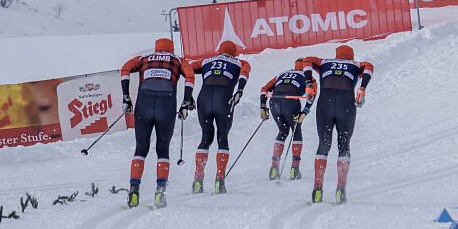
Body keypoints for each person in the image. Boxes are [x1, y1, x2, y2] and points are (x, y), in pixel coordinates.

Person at [120, 38, 195, 208]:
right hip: (166, 104)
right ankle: (160, 192)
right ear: (171, 49)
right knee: (163, 149)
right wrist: (186, 101)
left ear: (156, 48)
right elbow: (190, 77)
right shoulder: (178, 60)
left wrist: (126, 96)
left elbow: (125, 69)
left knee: (140, 148)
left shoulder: (143, 58)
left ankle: (134, 189)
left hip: (143, 103)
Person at [310, 44, 374, 204]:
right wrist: (362, 89)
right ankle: (340, 189)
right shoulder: (357, 65)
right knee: (344, 146)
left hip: (325, 104)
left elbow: (307, 61)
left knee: (323, 145)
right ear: (351, 56)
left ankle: (317, 189)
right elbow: (369, 67)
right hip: (346, 105)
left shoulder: (324, 62)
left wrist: (308, 83)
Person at [188, 40, 251, 194]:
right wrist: (240, 91)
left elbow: (188, 69)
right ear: (234, 52)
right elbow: (244, 73)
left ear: (220, 51)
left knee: (205, 138)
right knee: (222, 138)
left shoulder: (206, 60)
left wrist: (188, 95)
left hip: (204, 97)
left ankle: (198, 180)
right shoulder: (239, 61)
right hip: (224, 98)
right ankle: (219, 181)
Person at [259, 57, 317, 181]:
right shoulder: (309, 77)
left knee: (282, 131)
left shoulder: (282, 73)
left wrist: (262, 105)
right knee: (296, 132)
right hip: (290, 101)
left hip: (274, 101)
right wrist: (305, 111)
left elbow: (264, 89)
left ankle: (274, 167)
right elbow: (312, 95)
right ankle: (294, 169)